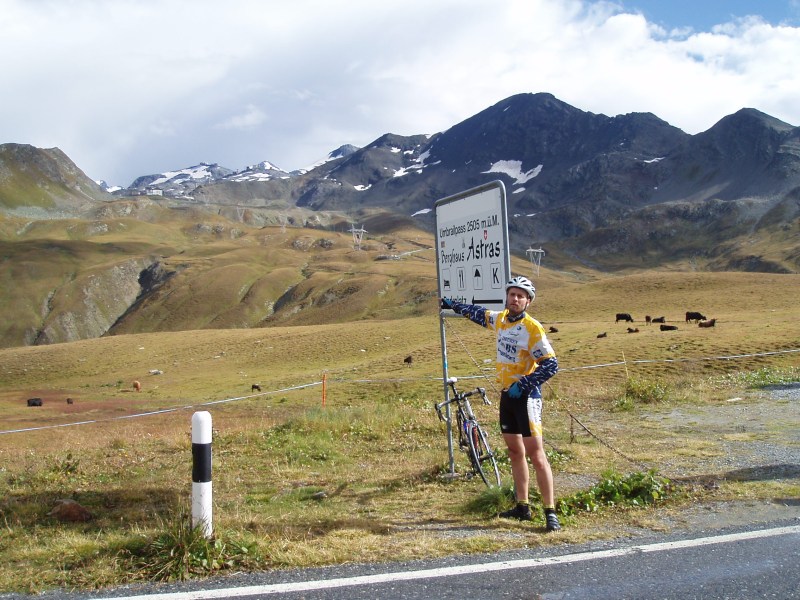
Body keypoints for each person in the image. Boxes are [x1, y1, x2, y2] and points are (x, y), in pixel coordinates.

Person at [441, 275, 561, 532]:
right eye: (512, 294)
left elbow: (551, 364)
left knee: (537, 455)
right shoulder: (502, 320)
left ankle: (550, 512)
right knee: (515, 453)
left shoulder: (532, 328)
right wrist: (454, 305)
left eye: (521, 296)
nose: (515, 299)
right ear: (507, 297)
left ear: (528, 301)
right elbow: (478, 313)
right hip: (507, 396)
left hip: (527, 398)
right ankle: (522, 506)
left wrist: (525, 384)